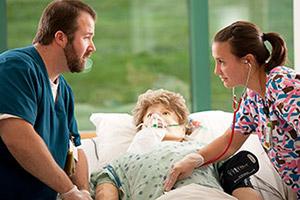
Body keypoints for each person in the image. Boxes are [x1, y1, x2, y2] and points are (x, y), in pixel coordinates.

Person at [164, 21, 300, 199]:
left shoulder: (283, 85)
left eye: (221, 62)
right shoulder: (252, 99)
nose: (216, 71)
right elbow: (230, 141)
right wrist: (196, 158)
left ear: (248, 61)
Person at [0, 1, 96, 199]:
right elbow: (17, 137)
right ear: (60, 37)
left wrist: (83, 191)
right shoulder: (15, 68)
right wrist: (68, 190)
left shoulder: (64, 91)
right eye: (86, 37)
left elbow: (76, 151)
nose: (92, 47)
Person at [93, 89, 262, 200]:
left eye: (165, 113)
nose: (156, 119)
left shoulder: (204, 151)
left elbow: (239, 182)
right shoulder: (123, 160)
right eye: (150, 115)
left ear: (183, 127)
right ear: (141, 127)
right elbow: (105, 185)